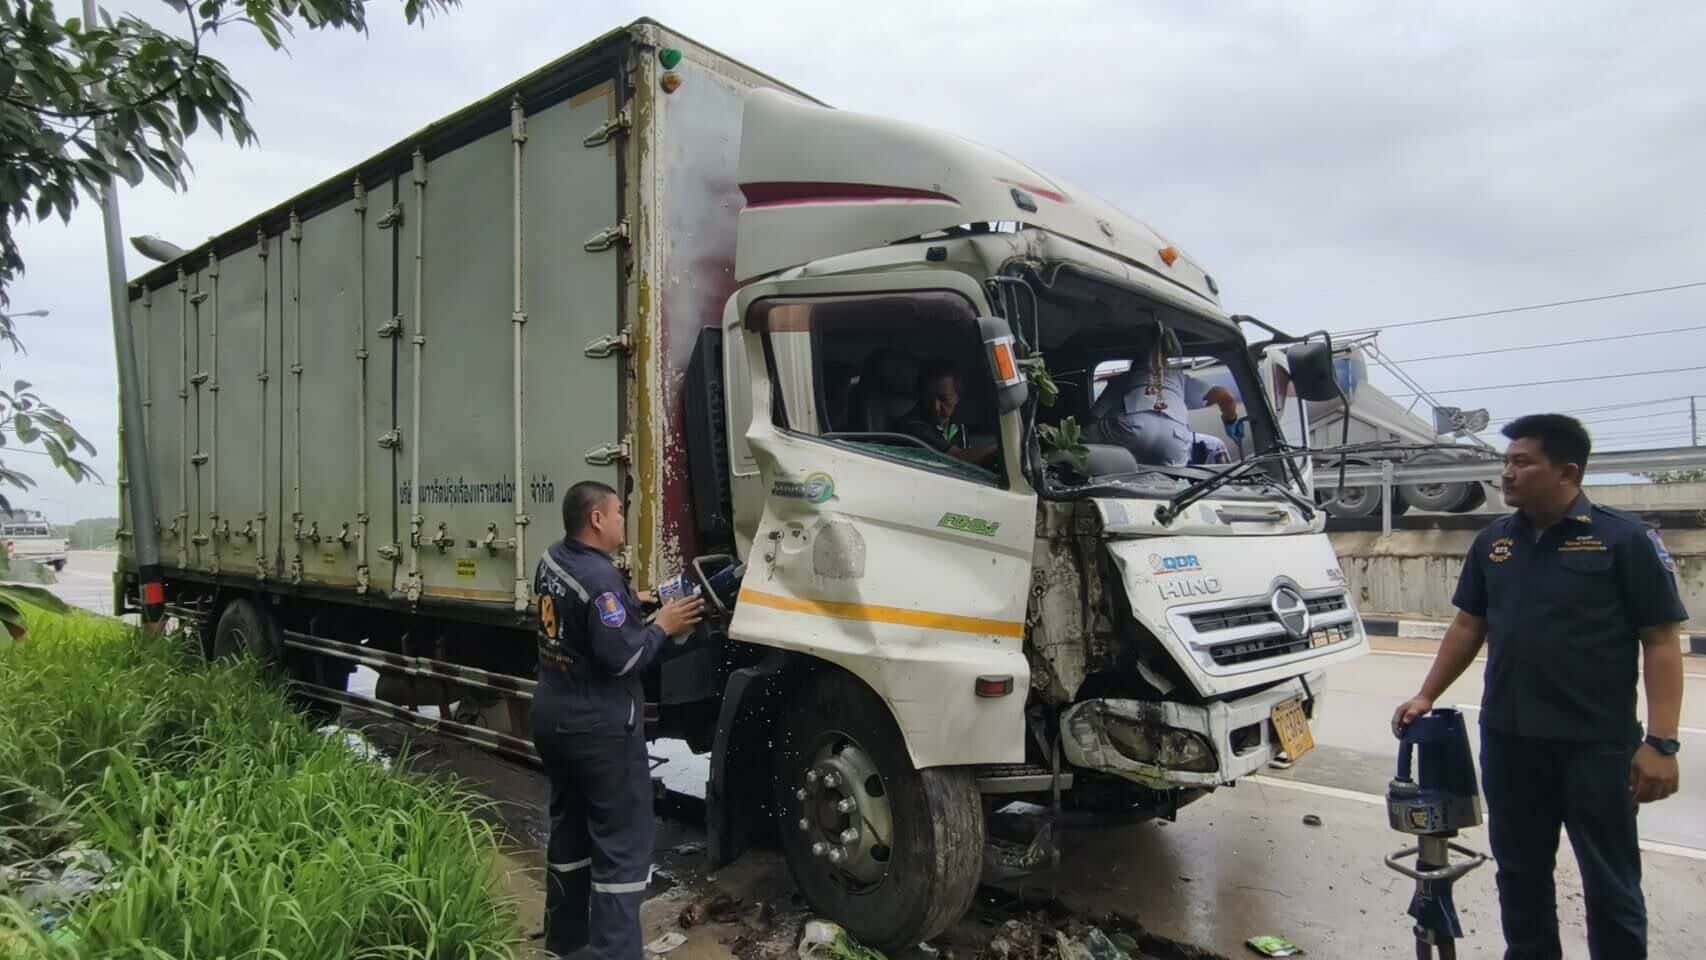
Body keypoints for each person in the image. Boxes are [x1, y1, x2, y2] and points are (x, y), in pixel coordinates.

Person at [1391, 414, 1685, 960]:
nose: (1507, 473)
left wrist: (1662, 742)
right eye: (1507, 461)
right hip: (1510, 740)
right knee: (1521, 877)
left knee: (1611, 884)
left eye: (1522, 462)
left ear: (1567, 472)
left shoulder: (1624, 539)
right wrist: (1426, 693)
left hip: (1596, 745)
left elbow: (1662, 641)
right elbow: (1467, 626)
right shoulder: (1494, 542)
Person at [530, 481, 704, 959]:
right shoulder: (602, 582)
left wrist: (633, 602)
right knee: (622, 848)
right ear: (597, 521)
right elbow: (624, 660)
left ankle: (564, 944)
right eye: (619, 513)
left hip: (553, 715)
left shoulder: (551, 560)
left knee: (570, 833)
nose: (624, 521)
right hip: (598, 729)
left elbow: (582, 617)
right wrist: (665, 625)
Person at [1088, 325, 1243, 466]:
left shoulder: (1124, 378)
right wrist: (1231, 423)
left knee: (1081, 441)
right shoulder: (1180, 378)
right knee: (1174, 478)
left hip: (1131, 430)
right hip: (1175, 439)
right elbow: (1226, 397)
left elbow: (1094, 416)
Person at [894, 357, 999, 467]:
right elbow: (956, 458)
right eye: (928, 398)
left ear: (958, 397)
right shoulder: (912, 427)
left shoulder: (957, 424)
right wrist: (999, 450)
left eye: (944, 399)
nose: (936, 407)